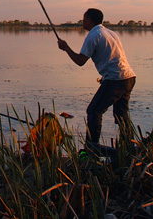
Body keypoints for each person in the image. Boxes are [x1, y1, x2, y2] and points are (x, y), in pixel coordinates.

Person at [57, 8, 136, 147]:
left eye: (84, 19)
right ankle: (128, 145)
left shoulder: (93, 35)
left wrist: (66, 48)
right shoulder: (110, 33)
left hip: (115, 79)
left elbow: (80, 61)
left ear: (90, 20)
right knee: (121, 113)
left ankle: (91, 147)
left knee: (94, 111)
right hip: (128, 77)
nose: (82, 21)